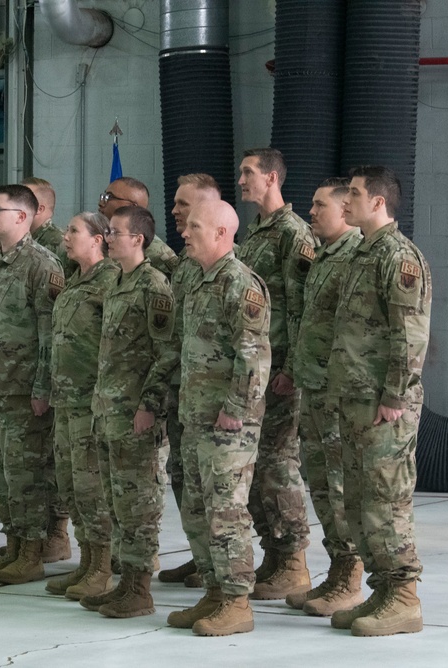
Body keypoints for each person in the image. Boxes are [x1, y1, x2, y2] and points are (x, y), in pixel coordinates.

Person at [328, 166, 431, 637]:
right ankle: (383, 589)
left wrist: (394, 394)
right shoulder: (360, 253)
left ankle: (405, 597)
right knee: (358, 502)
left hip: (382, 405)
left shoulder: (398, 256)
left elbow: (409, 335)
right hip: (353, 400)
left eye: (353, 193)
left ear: (378, 203)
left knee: (386, 500)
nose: (345, 201)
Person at [168, 198, 271, 636]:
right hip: (196, 418)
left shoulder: (239, 284)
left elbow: (254, 357)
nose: (185, 233)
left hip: (228, 425)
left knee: (226, 513)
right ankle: (212, 591)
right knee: (196, 510)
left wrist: (235, 412)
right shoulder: (197, 279)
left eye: (194, 226)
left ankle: (236, 602)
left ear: (221, 233)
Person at [79, 205, 178, 619]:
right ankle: (123, 583)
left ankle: (139, 589)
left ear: (137, 239)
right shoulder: (118, 283)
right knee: (116, 502)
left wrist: (150, 406)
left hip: (136, 415)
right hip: (109, 411)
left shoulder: (153, 286)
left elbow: (166, 352)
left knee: (138, 504)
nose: (109, 237)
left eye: (116, 232)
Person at [0, 184, 65, 585]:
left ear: (23, 217)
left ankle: (32, 551)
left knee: (26, 475)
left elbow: (49, 334)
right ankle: (12, 544)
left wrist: (43, 387)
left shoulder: (43, 265)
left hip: (23, 390)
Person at [235, 147, 315, 599]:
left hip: (280, 372)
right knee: (259, 464)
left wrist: (291, 367)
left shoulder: (292, 234)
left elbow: (304, 307)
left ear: (271, 178)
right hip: (257, 370)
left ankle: (294, 561)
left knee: (278, 465)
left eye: (248, 173)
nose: (241, 179)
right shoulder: (256, 234)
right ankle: (273, 554)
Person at [286, 178, 365, 616]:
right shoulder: (323, 256)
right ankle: (336, 570)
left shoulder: (353, 256)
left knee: (339, 487)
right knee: (319, 483)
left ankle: (350, 578)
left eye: (319, 205)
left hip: (336, 391)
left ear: (344, 210)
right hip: (313, 387)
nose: (311, 212)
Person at [44, 211, 120, 601]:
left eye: (74, 230)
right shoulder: (74, 281)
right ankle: (87, 561)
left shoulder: (111, 283)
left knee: (93, 489)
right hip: (66, 401)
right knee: (72, 487)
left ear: (97, 239)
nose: (66, 235)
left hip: (92, 402)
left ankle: (103, 568)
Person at [159, 173, 222, 589]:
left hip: (215, 401)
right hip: (184, 392)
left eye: (184, 206)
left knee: (220, 493)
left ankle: (223, 572)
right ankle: (201, 557)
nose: (176, 212)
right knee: (183, 477)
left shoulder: (231, 274)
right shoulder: (184, 268)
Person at [21, 175, 75, 560]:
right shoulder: (13, 248)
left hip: (53, 366)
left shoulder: (57, 247)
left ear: (39, 210)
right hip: (20, 366)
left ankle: (57, 530)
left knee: (52, 458)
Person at [98, 176, 178, 279]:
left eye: (109, 197)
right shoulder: (97, 240)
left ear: (132, 207)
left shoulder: (157, 253)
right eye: (103, 196)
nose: (101, 203)